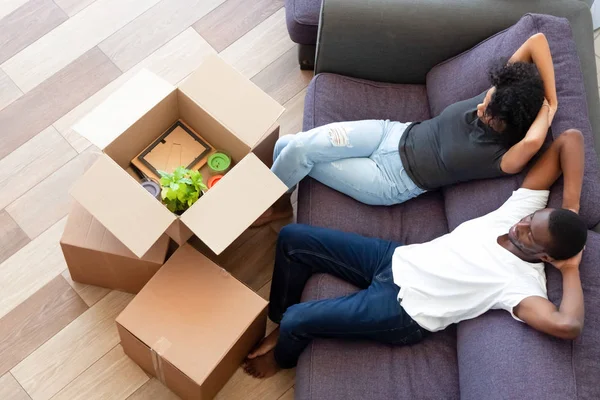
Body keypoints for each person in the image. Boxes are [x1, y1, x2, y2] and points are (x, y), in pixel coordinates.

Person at [243, 128, 587, 378]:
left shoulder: (522, 285)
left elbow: (568, 324)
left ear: (544, 256)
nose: (519, 227)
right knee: (291, 238)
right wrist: (571, 208)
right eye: (529, 220)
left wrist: (569, 269)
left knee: (298, 321)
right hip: (396, 258)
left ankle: (282, 358)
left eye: (529, 234)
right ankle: (280, 318)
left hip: (403, 311)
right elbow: (569, 139)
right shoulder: (519, 213)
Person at [253, 33, 557, 226]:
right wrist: (550, 96)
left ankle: (267, 206)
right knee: (290, 147)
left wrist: (547, 109)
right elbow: (537, 41)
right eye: (486, 100)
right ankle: (278, 206)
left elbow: (532, 142)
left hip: (390, 181)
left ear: (508, 122)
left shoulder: (502, 156)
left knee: (294, 149)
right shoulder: (498, 98)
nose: (480, 109)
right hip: (389, 134)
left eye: (488, 115)